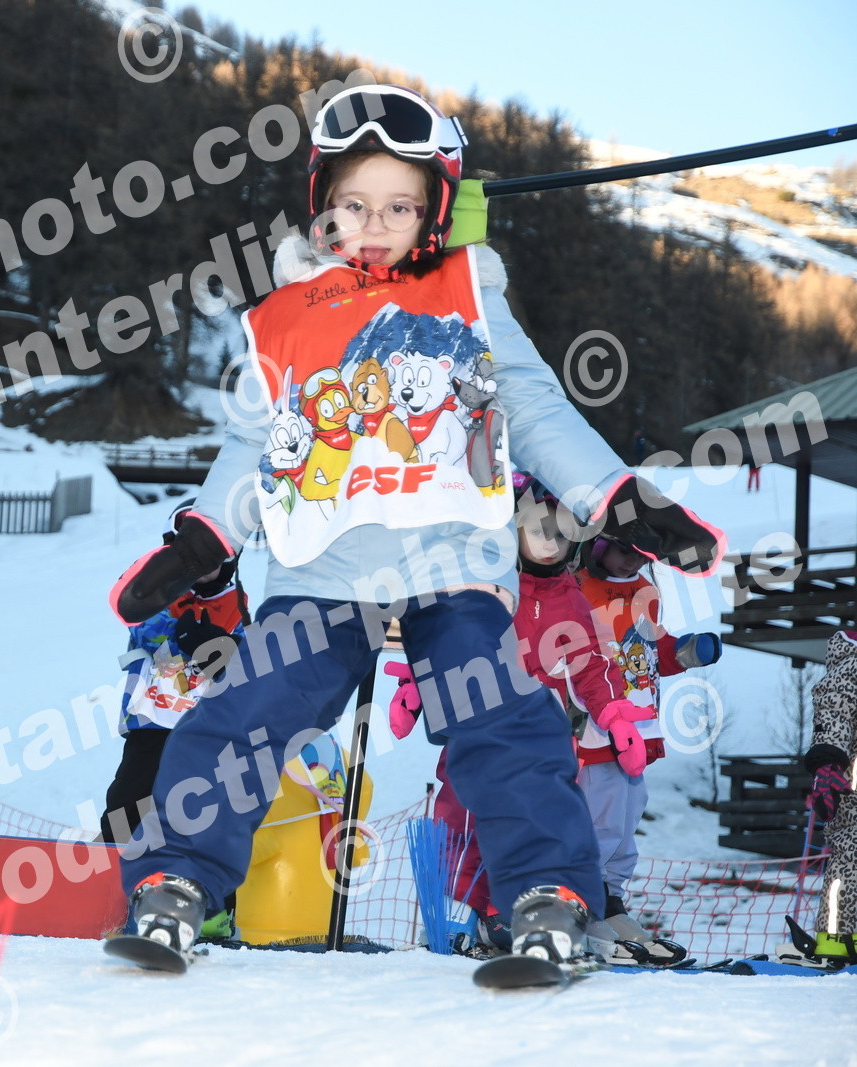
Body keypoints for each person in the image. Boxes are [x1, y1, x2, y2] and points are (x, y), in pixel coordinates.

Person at [102, 83, 723, 972]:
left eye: (399, 206)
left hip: (451, 563)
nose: (374, 224)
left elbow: (536, 411)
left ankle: (549, 892)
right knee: (245, 710)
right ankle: (176, 882)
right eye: (353, 204)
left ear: (434, 212)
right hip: (325, 570)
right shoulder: (286, 316)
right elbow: (255, 444)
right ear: (321, 207)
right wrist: (204, 536)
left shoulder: (467, 295)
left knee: (500, 717)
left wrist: (616, 499)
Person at [390, 474, 648, 956]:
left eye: (561, 534)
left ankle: (521, 913)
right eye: (539, 530)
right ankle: (463, 916)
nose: (550, 543)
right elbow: (448, 642)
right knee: (463, 816)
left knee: (536, 817)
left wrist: (614, 715)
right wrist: (415, 685)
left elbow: (592, 664)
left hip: (541, 733)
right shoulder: (485, 589)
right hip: (478, 723)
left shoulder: (571, 599)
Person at [574, 534, 722, 964]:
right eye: (625, 550)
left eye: (642, 555)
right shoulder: (578, 588)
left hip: (640, 724)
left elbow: (647, 649)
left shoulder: (644, 590)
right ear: (599, 545)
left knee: (626, 818)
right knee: (601, 817)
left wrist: (685, 651)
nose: (632, 562)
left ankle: (611, 902)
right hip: (598, 725)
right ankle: (582, 902)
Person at [102, 499, 249, 846]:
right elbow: (140, 628)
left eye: (213, 559)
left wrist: (224, 650)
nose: (204, 568)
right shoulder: (159, 593)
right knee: (129, 800)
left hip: (204, 726)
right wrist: (179, 634)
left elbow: (247, 664)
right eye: (196, 557)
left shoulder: (236, 605)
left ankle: (193, 869)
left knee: (196, 805)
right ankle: (114, 859)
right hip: (152, 718)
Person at [780, 629, 856, 969]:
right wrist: (828, 762)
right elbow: (835, 711)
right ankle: (837, 941)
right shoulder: (852, 662)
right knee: (850, 856)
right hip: (850, 788)